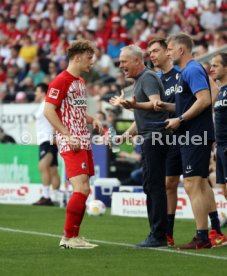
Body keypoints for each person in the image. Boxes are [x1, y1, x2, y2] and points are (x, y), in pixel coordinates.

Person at [155, 33, 226, 249]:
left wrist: (181, 119)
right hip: (193, 134)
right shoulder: (187, 72)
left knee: (192, 184)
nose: (167, 53)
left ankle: (202, 237)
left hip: (195, 134)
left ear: (180, 50)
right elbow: (187, 104)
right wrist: (165, 107)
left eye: (169, 49)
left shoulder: (192, 69)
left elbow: (204, 100)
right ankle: (208, 234)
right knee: (200, 184)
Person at [44, 39, 103, 249]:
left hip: (83, 140)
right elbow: (48, 110)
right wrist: (67, 135)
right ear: (77, 58)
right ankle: (68, 238)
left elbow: (76, 110)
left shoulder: (80, 82)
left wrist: (92, 119)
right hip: (72, 141)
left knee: (84, 189)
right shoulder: (61, 80)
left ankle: (74, 236)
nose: (92, 63)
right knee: (81, 189)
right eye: (89, 58)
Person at [116, 45, 169, 247]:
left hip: (155, 137)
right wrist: (125, 136)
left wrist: (134, 105)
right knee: (151, 185)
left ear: (138, 61)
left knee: (153, 186)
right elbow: (141, 118)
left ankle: (158, 235)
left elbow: (156, 104)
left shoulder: (146, 78)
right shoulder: (142, 79)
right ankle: (158, 233)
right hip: (150, 136)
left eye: (124, 62)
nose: (121, 66)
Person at [147, 38, 182, 246]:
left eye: (155, 50)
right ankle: (167, 232)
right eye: (149, 52)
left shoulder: (180, 76)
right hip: (165, 138)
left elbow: (191, 103)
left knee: (198, 182)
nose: (151, 55)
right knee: (168, 184)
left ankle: (211, 228)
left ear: (167, 53)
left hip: (187, 135)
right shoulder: (156, 79)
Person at [33, 83, 60, 206]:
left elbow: (55, 118)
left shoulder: (47, 104)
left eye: (37, 91)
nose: (35, 93)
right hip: (45, 140)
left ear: (43, 92)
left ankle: (46, 196)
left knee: (43, 166)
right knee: (52, 169)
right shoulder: (42, 105)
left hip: (49, 140)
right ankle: (55, 196)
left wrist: (55, 135)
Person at [210, 53, 227, 201]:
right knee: (224, 191)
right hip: (220, 146)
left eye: (215, 65)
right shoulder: (219, 91)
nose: (211, 69)